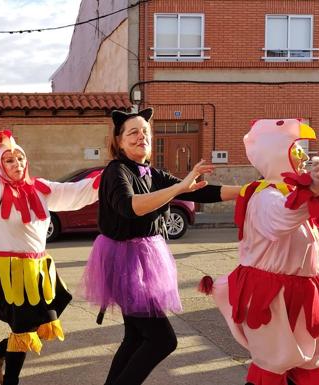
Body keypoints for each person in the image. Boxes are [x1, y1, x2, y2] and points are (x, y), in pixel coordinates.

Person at [80, 108, 241, 385]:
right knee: (163, 340)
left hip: (144, 260)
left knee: (135, 337)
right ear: (119, 141)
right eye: (133, 132)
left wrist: (250, 189)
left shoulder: (151, 173)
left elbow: (201, 190)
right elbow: (131, 207)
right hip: (123, 262)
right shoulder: (116, 171)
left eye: (145, 131)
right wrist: (180, 188)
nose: (141, 135)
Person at [0, 105, 100, 385]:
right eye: (9, 160)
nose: (16, 163)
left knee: (45, 317)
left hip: (37, 271)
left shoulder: (41, 188)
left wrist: (111, 178)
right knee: (23, 327)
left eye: (19, 158)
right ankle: (10, 378)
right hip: (5, 274)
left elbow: (76, 193)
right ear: (1, 165)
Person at [206, 119, 319, 385]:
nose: (304, 156)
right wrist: (312, 191)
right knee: (273, 364)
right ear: (277, 154)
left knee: (309, 363)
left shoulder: (291, 193)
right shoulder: (265, 197)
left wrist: (316, 186)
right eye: (297, 149)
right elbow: (281, 219)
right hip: (272, 297)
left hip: (301, 292)